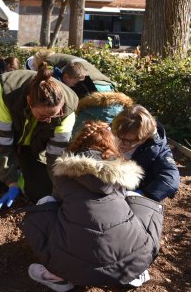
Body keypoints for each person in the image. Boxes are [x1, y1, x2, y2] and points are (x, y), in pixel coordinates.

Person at [21, 121, 163, 291]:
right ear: (111, 145)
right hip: (129, 265)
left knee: (46, 203)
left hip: (70, 266)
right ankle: (134, 273)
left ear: (78, 143)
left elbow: (57, 202)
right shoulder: (120, 173)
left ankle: (59, 276)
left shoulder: (64, 173)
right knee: (138, 200)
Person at [0, 64, 79, 212]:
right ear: (29, 102)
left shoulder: (67, 111)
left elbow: (56, 156)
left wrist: (58, 191)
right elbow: (0, 144)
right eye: (43, 116)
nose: (50, 120)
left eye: (55, 114)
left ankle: (21, 173)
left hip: (32, 146)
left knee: (40, 192)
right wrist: (11, 182)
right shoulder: (7, 93)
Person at [112, 105, 180, 201]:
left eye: (128, 141)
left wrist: (143, 194)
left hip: (132, 197)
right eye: (118, 137)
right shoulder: (109, 136)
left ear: (144, 138)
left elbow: (170, 178)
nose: (120, 143)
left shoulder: (156, 149)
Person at [25, 49, 115, 94]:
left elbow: (49, 81)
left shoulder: (49, 61)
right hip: (107, 85)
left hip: (93, 84)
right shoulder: (63, 57)